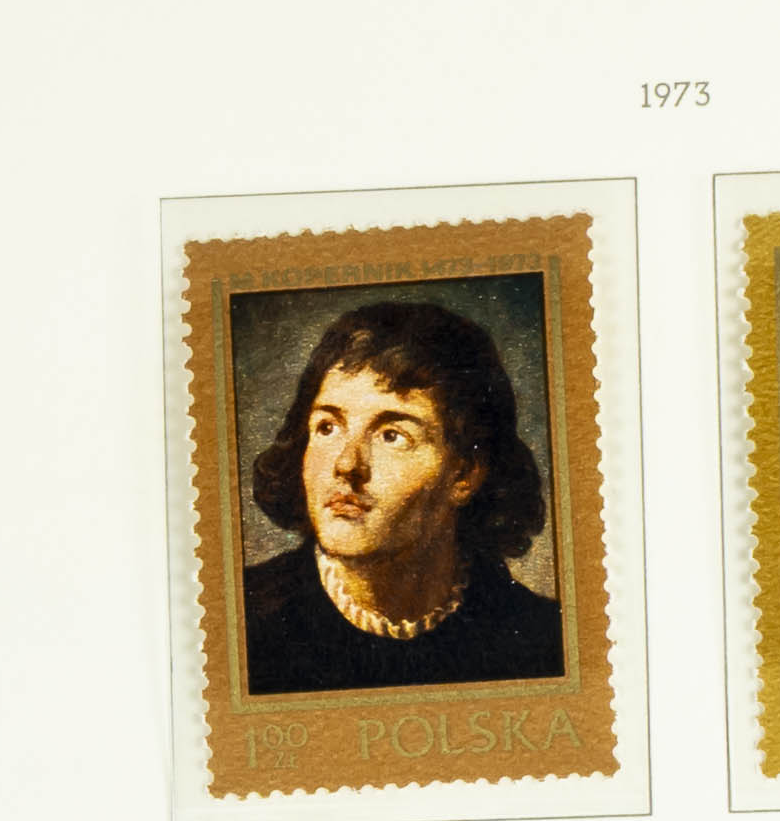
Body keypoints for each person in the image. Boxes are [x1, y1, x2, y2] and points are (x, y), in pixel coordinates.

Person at [235, 295, 562, 694]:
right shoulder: (242, 620)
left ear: (464, 474)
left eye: (392, 435)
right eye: (327, 427)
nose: (347, 464)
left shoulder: (541, 638)